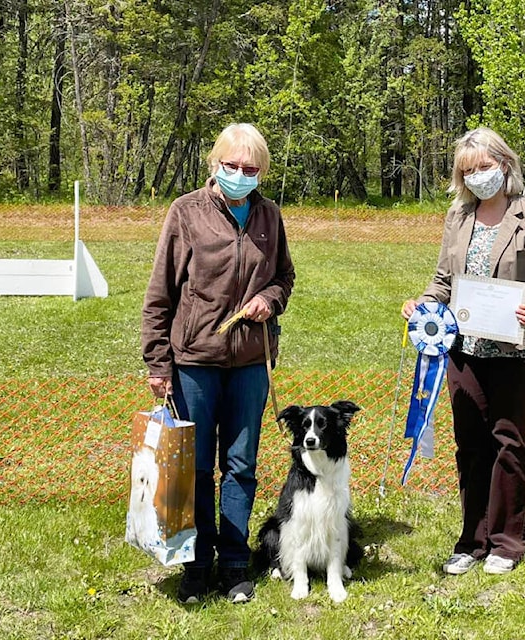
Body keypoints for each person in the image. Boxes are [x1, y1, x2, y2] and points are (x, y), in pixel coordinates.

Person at [401, 127, 525, 577]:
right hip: (463, 350)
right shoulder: (457, 217)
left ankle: (507, 542)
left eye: (485, 167)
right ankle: (471, 540)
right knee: (470, 445)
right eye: (468, 170)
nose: (478, 176)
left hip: (517, 350)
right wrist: (424, 305)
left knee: (509, 442)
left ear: (505, 165)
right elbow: (442, 281)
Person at [141, 123, 295, 604]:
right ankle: (195, 562)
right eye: (232, 166)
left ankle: (233, 562)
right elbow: (160, 292)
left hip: (251, 362)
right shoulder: (186, 212)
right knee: (196, 467)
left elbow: (284, 278)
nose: (240, 175)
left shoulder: (269, 216)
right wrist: (158, 363)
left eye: (250, 169)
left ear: (261, 172)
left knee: (240, 465)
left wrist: (270, 298)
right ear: (215, 165)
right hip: (195, 362)